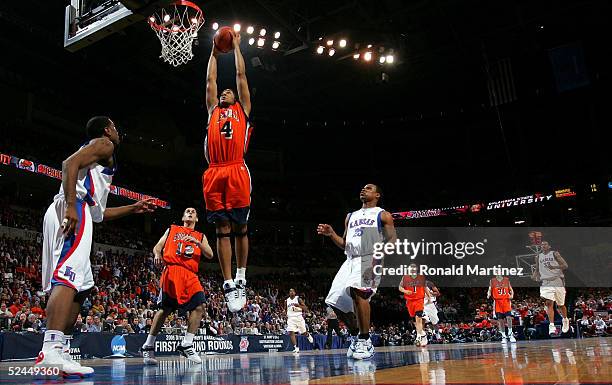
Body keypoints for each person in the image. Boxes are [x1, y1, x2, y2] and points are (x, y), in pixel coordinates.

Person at [35, 116, 156, 377]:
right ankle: (50, 349)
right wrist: (70, 205)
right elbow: (68, 164)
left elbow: (99, 213)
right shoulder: (104, 144)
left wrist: (133, 208)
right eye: (115, 126)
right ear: (106, 130)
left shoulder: (97, 163)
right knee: (67, 277)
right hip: (72, 207)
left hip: (81, 210)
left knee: (83, 286)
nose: (117, 131)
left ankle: (62, 351)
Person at [204, 29, 253, 313]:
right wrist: (212, 53)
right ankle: (228, 284)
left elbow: (241, 77)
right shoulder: (212, 110)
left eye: (228, 91)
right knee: (222, 229)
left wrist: (235, 48)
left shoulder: (242, 110)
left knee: (240, 227)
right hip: (214, 171)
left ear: (236, 98)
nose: (223, 92)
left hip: (236, 170)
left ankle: (242, 276)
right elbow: (211, 79)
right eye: (222, 92)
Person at [318, 184, 396, 360]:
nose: (363, 189)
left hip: (370, 256)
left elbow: (392, 240)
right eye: (362, 188)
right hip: (350, 260)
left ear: (377, 195)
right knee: (334, 301)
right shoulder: (350, 216)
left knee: (358, 291)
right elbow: (345, 244)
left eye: (368, 188)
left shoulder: (383, 214)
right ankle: (356, 336)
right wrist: (331, 234)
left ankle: (365, 339)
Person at [141, 208, 213, 365]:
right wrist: (157, 255)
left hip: (190, 274)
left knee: (200, 306)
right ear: (183, 216)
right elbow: (157, 247)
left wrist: (198, 243)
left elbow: (210, 254)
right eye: (187, 211)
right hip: (172, 270)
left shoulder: (200, 236)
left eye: (193, 211)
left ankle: (186, 344)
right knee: (165, 309)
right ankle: (148, 345)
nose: (190, 212)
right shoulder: (172, 229)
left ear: (197, 219)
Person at [532, 240, 570, 335]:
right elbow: (537, 269)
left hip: (557, 280)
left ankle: (565, 320)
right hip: (546, 282)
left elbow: (565, 265)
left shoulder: (554, 254)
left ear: (549, 246)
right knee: (549, 303)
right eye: (542, 245)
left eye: (545, 244)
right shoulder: (538, 257)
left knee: (561, 305)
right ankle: (551, 326)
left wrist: (554, 267)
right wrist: (534, 275)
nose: (543, 246)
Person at [399, 266, 430, 347]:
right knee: (415, 322)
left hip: (419, 300)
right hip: (410, 301)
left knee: (418, 319)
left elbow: (425, 287)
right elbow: (400, 287)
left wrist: (429, 297)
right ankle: (423, 335)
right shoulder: (405, 277)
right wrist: (405, 291)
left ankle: (418, 337)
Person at [487, 275, 516, 343]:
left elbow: (511, 289)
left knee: (509, 317)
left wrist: (512, 295)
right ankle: (503, 336)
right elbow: (490, 289)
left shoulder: (506, 280)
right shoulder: (492, 281)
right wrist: (488, 294)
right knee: (501, 320)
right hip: (498, 302)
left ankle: (510, 334)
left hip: (506, 301)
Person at [285, 288, 314, 353]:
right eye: (290, 291)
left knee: (303, 332)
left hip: (299, 317)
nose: (291, 292)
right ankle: (296, 347)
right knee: (291, 332)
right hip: (290, 318)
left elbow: (305, 308)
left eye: (292, 291)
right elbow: (285, 310)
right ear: (289, 293)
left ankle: (308, 335)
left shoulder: (298, 299)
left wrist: (298, 305)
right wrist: (286, 315)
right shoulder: (286, 301)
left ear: (295, 293)